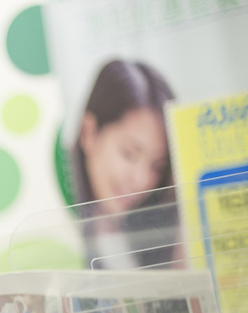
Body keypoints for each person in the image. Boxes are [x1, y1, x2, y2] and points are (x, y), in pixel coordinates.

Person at [68, 59, 181, 269]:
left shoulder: (172, 236)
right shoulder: (66, 231)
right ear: (88, 132)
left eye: (157, 166)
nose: (142, 181)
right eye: (129, 154)